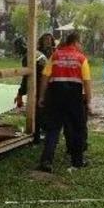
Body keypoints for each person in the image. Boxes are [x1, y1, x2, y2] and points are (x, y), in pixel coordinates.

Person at [37, 31, 92, 172]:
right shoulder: (81, 58)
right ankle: (77, 161)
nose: (81, 46)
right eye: (80, 43)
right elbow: (87, 81)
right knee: (77, 128)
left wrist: (42, 97)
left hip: (55, 96)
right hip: (74, 97)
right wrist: (88, 100)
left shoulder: (55, 56)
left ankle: (46, 161)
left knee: (53, 129)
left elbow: (45, 77)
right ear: (75, 42)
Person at [13, 34, 50, 143]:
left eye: (16, 48)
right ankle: (45, 134)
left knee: (36, 112)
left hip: (41, 84)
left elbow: (26, 78)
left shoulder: (28, 57)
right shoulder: (36, 53)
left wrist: (20, 94)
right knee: (42, 111)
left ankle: (36, 138)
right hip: (48, 83)